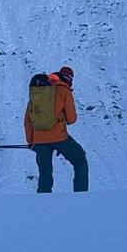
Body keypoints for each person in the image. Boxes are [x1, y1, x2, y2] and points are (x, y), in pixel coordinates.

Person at [24, 65, 89, 193]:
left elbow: (27, 119)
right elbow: (71, 119)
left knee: (45, 172)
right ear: (69, 79)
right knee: (80, 160)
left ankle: (43, 203)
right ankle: (81, 196)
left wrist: (31, 142)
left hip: (39, 139)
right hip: (59, 137)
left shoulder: (39, 90)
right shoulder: (64, 90)